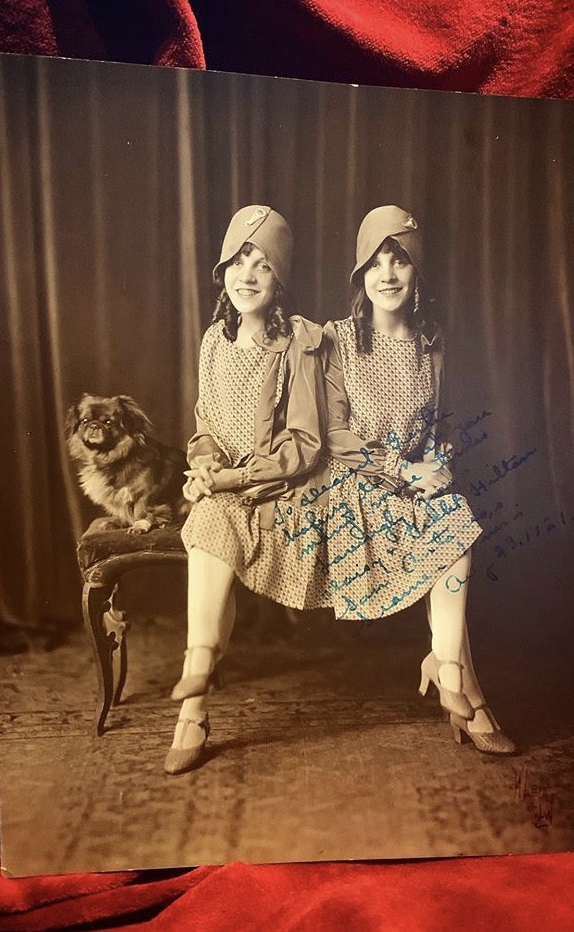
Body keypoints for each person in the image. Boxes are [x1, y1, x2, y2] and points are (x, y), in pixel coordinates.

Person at [322, 205, 516, 754]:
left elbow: (441, 422)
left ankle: (448, 669)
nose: (388, 274)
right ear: (361, 274)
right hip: (355, 484)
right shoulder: (337, 340)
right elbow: (334, 435)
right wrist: (403, 468)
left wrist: (441, 462)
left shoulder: (432, 342)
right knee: (449, 542)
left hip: (414, 482)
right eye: (377, 262)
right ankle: (466, 695)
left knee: (455, 529)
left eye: (400, 261)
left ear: (416, 275)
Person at [166, 205, 329, 774]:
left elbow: (307, 444)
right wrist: (205, 460)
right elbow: (205, 421)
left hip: (283, 492)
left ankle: (197, 681)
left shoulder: (300, 343)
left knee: (218, 519)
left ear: (279, 279)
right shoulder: (214, 340)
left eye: (263, 265)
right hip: (224, 490)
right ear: (223, 272)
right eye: (239, 262)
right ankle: (196, 694)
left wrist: (233, 478)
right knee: (209, 524)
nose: (248, 275)